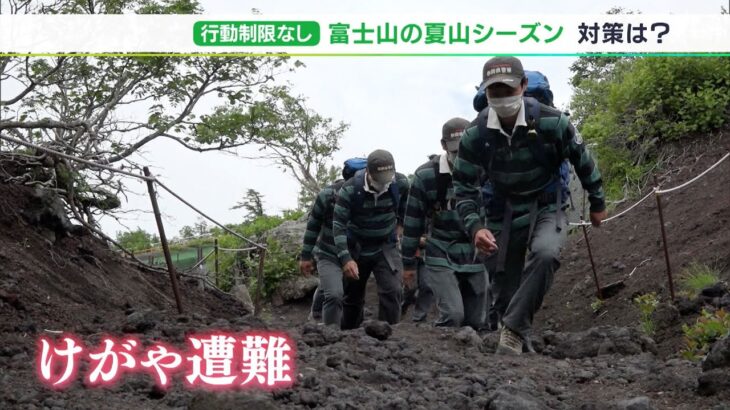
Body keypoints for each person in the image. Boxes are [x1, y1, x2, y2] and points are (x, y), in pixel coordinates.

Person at [453, 56, 607, 354]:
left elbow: (583, 160)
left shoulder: (553, 121)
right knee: (505, 286)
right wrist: (475, 228)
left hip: (547, 203)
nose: (501, 98)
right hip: (502, 211)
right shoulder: (476, 135)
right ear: (485, 93)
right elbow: (463, 187)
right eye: (494, 92)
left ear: (523, 86)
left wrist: (597, 202)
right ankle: (514, 341)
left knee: (546, 253)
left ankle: (510, 331)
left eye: (508, 90)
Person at [401, 118, 487, 329]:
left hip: (475, 250)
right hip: (441, 249)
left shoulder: (486, 170)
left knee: (478, 321)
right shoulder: (426, 176)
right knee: (453, 315)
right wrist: (408, 264)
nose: (462, 158)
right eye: (457, 152)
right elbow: (412, 222)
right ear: (443, 145)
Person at [333, 149, 410, 330]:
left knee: (393, 290)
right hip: (357, 247)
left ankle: (388, 334)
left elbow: (407, 207)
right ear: (369, 172)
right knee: (353, 296)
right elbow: (338, 226)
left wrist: (400, 226)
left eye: (387, 180)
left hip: (385, 245)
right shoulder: (350, 189)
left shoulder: (400, 183)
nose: (383, 185)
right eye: (379, 181)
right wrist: (346, 259)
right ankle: (349, 336)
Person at [300, 158, 368, 326]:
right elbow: (313, 225)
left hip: (354, 255)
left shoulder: (370, 196)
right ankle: (328, 329)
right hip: (328, 252)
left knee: (341, 290)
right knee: (334, 294)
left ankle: (347, 326)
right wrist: (305, 256)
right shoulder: (327, 195)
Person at [400, 234, 435, 322]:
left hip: (429, 253)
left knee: (427, 285)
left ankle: (420, 318)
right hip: (408, 252)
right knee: (410, 287)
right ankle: (401, 306)